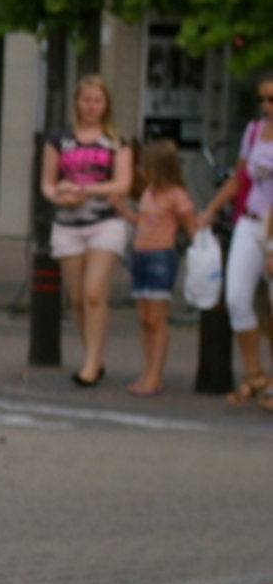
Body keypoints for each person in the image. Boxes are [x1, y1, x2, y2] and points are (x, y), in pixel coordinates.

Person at [40, 73, 132, 388]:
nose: (91, 107)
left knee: (95, 292)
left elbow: (123, 183)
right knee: (77, 298)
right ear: (76, 102)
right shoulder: (59, 139)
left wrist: (87, 189)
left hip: (104, 221)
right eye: (85, 100)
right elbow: (47, 183)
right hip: (68, 223)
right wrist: (60, 194)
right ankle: (93, 354)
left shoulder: (116, 141)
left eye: (97, 100)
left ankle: (92, 361)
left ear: (105, 104)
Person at [196, 73, 273, 405]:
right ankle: (255, 374)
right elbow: (240, 177)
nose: (268, 106)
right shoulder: (255, 130)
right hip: (251, 220)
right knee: (238, 297)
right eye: (264, 99)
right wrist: (210, 210)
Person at [124, 140, 200, 398]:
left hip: (161, 255)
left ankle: (155, 375)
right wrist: (120, 209)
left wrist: (200, 252)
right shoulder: (148, 193)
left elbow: (191, 227)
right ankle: (147, 371)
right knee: (144, 318)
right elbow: (142, 220)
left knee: (156, 319)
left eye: (147, 166)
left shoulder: (177, 196)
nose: (143, 171)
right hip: (141, 255)